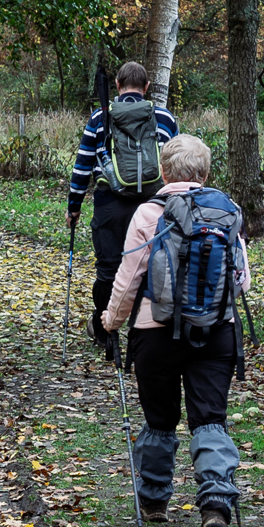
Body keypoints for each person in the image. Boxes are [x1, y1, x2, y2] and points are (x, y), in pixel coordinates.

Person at [97, 134, 250, 527]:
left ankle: (153, 500)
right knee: (210, 418)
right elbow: (242, 281)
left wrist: (111, 321)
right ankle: (216, 504)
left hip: (155, 335)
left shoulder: (149, 212)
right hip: (216, 332)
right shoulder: (226, 209)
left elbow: (129, 278)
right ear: (206, 173)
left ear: (163, 172)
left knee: (160, 419)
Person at [66, 61, 179, 353]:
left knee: (108, 269)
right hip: (154, 205)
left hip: (110, 205)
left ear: (117, 85)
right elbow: (176, 165)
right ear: (146, 87)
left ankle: (106, 333)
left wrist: (74, 206)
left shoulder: (100, 117)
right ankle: (145, 333)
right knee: (151, 266)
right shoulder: (164, 118)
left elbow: (83, 166)